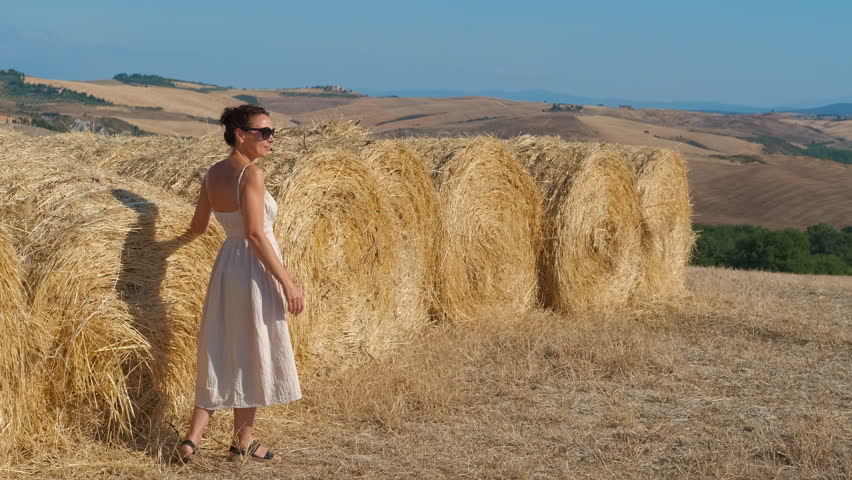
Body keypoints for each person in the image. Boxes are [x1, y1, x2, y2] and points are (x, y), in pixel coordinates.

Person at [178, 104, 304, 462]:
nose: (271, 138)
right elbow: (254, 232)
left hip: (226, 266)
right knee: (253, 349)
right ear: (240, 135)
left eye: (272, 132)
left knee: (222, 347)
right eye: (263, 132)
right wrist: (289, 283)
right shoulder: (251, 174)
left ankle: (193, 440)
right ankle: (241, 444)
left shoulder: (212, 174)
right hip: (253, 268)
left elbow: (199, 227)